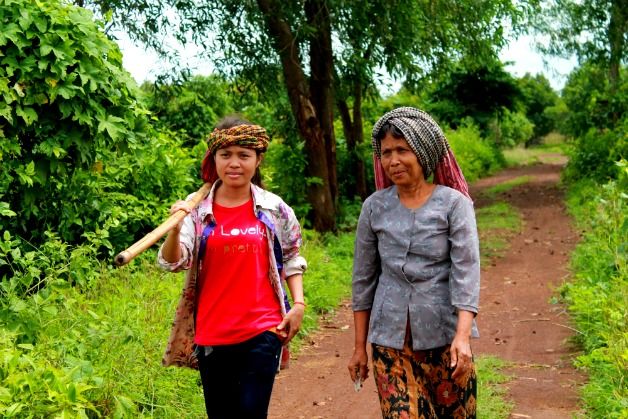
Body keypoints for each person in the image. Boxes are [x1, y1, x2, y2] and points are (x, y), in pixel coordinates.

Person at [158, 116, 307, 419]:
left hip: (263, 330)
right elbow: (173, 262)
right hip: (212, 335)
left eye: (244, 155)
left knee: (251, 413)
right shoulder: (197, 210)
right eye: (226, 155)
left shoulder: (274, 208)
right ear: (214, 159)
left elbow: (292, 256)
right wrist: (175, 226)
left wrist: (299, 304)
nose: (234, 163)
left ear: (258, 159)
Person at [347, 107, 480, 418]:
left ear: (423, 152)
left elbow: (466, 271)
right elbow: (363, 279)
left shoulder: (453, 205)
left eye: (402, 150)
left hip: (444, 340)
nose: (393, 160)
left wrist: (462, 337)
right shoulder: (374, 208)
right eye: (386, 152)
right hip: (389, 342)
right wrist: (358, 347)